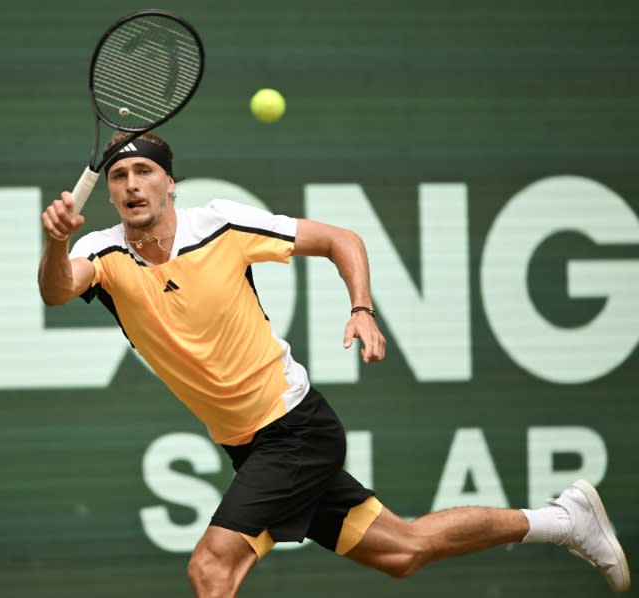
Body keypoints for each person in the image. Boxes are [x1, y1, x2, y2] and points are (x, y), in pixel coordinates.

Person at [38, 131, 631, 597]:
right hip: (246, 444)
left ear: (171, 183)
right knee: (403, 551)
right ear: (110, 193)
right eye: (119, 176)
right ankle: (563, 520)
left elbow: (340, 238)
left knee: (211, 568)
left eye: (145, 172)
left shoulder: (218, 224)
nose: (132, 184)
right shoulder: (101, 252)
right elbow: (58, 290)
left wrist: (362, 308)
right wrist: (56, 243)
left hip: (294, 431)